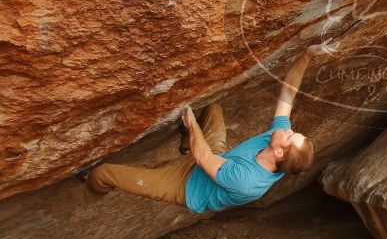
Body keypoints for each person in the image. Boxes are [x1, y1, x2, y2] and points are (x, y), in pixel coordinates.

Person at [83, 42, 336, 212]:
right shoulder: (277, 142)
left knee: (104, 173)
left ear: (279, 153)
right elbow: (289, 93)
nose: (289, 129)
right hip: (218, 158)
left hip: (185, 186)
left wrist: (192, 124)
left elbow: (202, 157)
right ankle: (186, 144)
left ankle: (90, 192)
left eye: (291, 136)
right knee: (212, 110)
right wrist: (307, 54)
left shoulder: (247, 181)